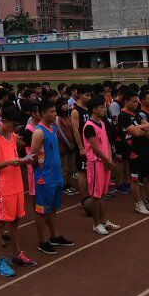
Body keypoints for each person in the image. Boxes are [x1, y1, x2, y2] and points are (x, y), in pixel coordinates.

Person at [0, 110, 35, 277]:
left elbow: (16, 152)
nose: (14, 128)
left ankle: (16, 254)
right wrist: (9, 162)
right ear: (4, 120)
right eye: (12, 125)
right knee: (0, 223)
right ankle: (0, 261)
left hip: (16, 185)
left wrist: (25, 159)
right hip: (3, 187)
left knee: (15, 220)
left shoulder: (12, 136)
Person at [30, 99, 75, 254]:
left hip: (56, 176)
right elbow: (33, 156)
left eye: (55, 111)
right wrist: (41, 171)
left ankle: (54, 236)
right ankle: (42, 241)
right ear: (42, 113)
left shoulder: (53, 129)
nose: (55, 114)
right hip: (45, 178)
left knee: (53, 209)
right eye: (52, 112)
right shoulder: (39, 132)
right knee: (41, 210)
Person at [83, 99, 121, 235]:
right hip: (95, 163)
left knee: (103, 194)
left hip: (104, 162)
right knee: (95, 195)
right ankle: (96, 224)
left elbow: (106, 143)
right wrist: (108, 161)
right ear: (94, 109)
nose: (104, 109)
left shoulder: (102, 123)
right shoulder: (89, 126)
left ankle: (104, 221)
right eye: (101, 107)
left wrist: (109, 159)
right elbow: (95, 148)